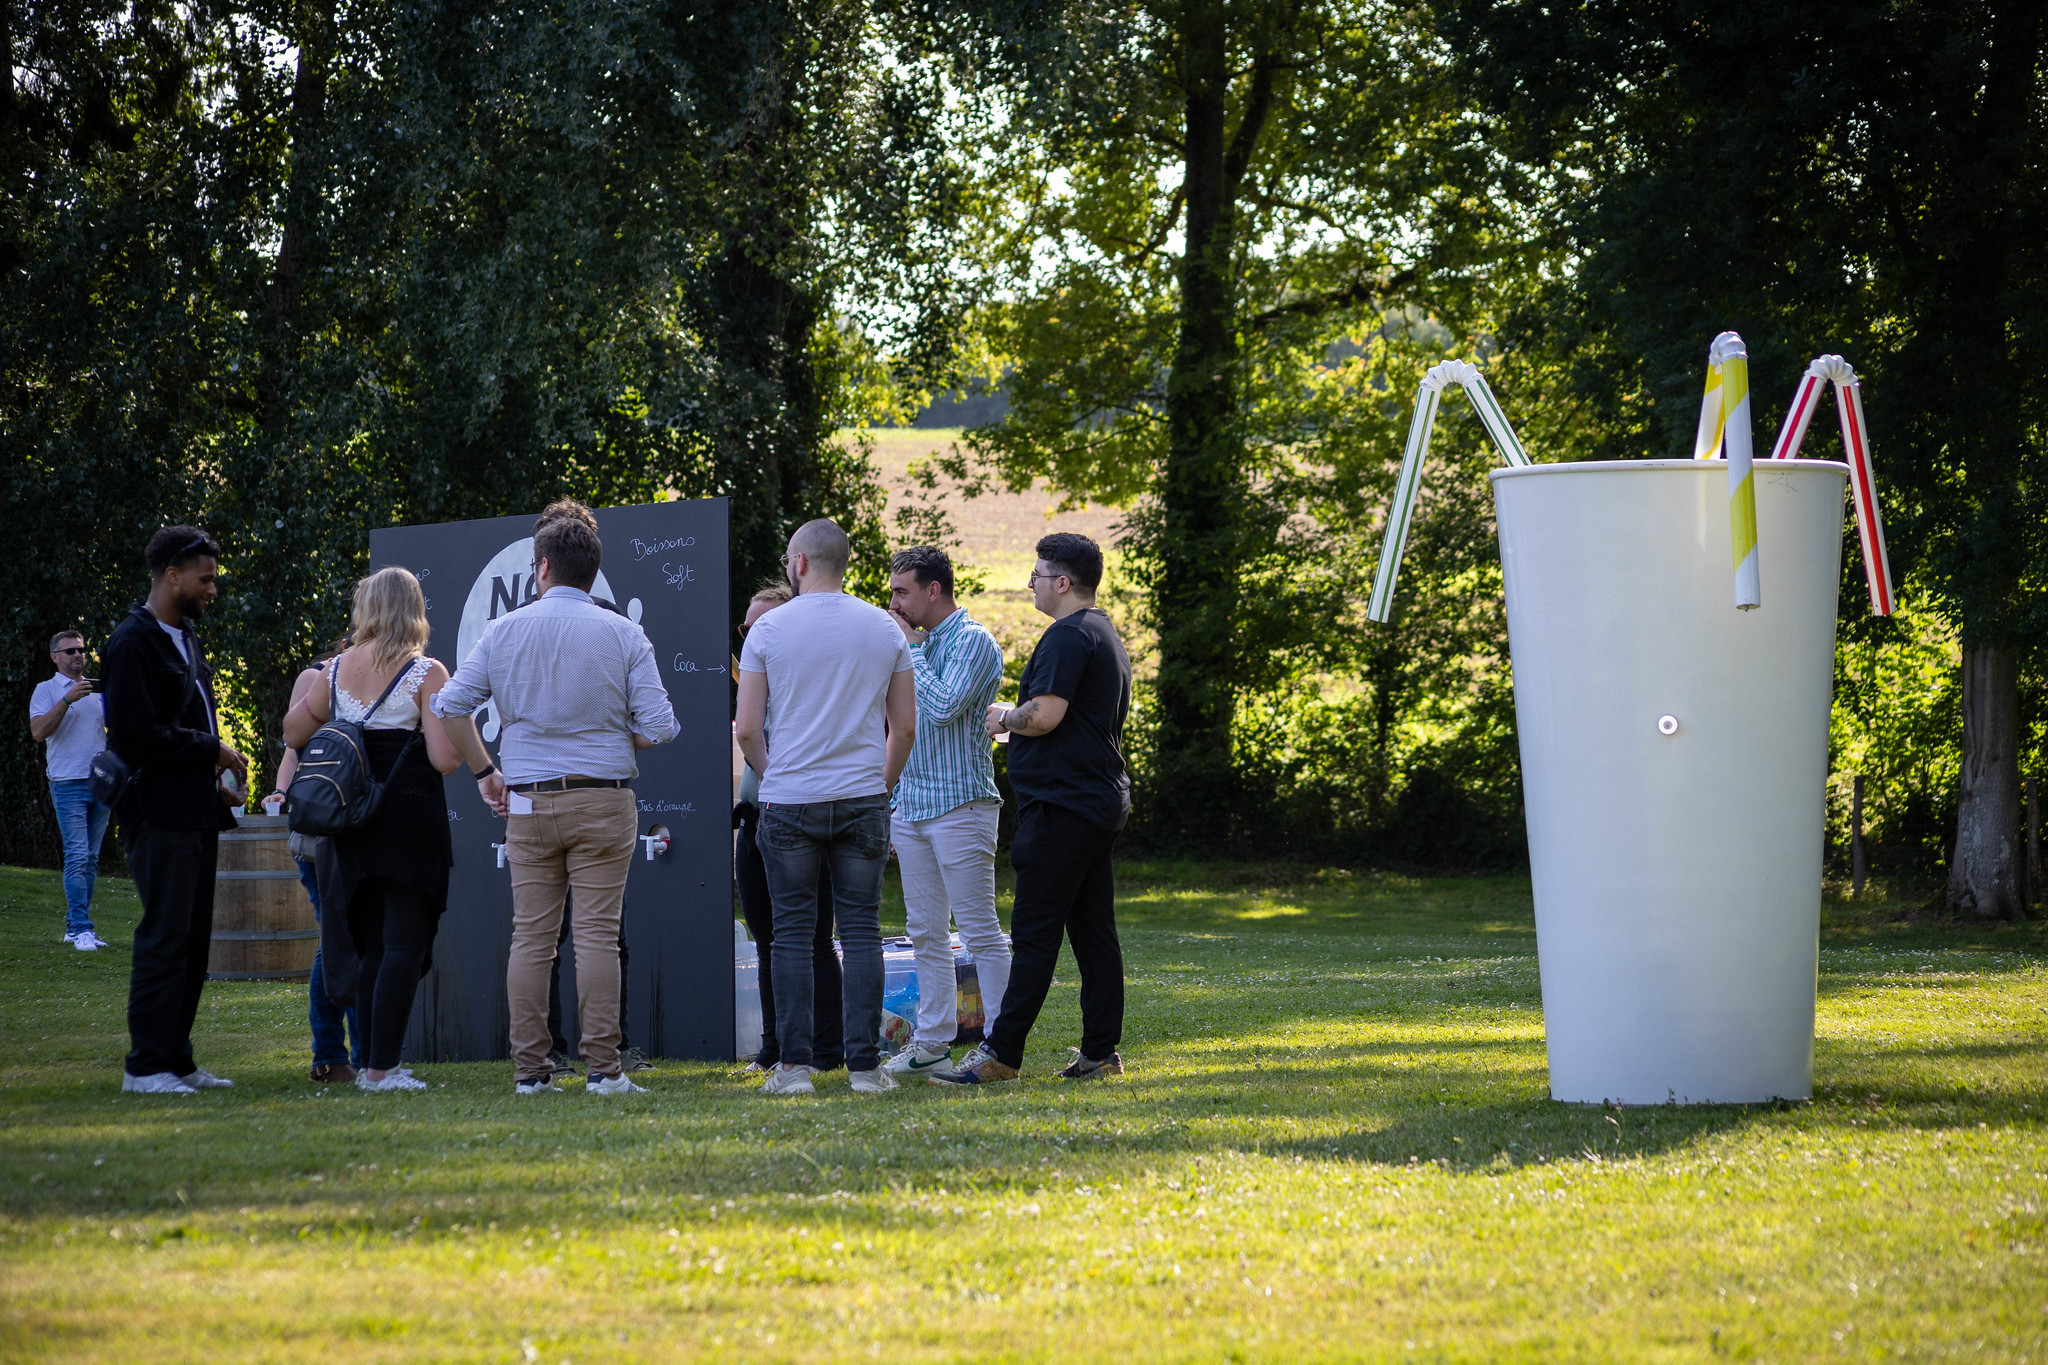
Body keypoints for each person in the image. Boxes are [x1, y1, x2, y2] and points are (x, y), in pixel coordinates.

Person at [432, 499, 679, 1097]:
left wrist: (484, 770)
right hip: (602, 800)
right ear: (592, 571)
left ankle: (530, 1073)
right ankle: (603, 1069)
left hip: (527, 802)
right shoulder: (624, 634)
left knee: (531, 939)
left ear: (540, 567)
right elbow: (662, 727)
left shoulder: (503, 630)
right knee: (596, 935)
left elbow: (449, 706)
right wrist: (612, 736)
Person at [934, 532, 1131, 1087]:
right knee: (1094, 933)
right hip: (1095, 801)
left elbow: (1043, 715)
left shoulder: (1067, 636)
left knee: (1036, 934)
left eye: (1038, 576)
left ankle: (1001, 1055)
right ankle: (1099, 1053)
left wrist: (1003, 717)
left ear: (1062, 582)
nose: (1031, 584)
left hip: (1063, 807)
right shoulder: (1104, 633)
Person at [735, 518, 916, 1096]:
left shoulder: (767, 631)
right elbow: (905, 728)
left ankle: (794, 1070)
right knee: (861, 931)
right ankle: (864, 1070)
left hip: (789, 800)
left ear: (801, 562)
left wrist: (774, 774)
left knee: (790, 935)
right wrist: (881, 785)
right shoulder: (884, 629)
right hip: (862, 796)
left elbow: (745, 730)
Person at [284, 569, 467, 1093]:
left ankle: (370, 1065)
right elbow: (444, 758)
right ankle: (382, 1069)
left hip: (352, 823)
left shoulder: (336, 668)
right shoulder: (426, 671)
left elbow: (293, 731)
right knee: (403, 944)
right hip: (408, 818)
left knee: (367, 946)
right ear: (414, 609)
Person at [102, 526, 249, 1094]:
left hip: (194, 808)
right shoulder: (132, 641)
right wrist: (209, 750)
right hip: (155, 811)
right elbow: (134, 734)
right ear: (172, 575)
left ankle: (177, 1060)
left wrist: (214, 780)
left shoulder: (186, 638)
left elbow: (188, 720)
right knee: (164, 936)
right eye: (205, 578)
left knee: (191, 940)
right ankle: (144, 1067)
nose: (211, 589)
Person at [883, 546, 1010, 1076]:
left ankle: (1002, 1046)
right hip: (911, 807)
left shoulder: (975, 641)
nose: (893, 602)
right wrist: (891, 803)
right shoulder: (915, 644)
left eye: (901, 592)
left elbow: (940, 707)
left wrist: (908, 648)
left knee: (979, 930)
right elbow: (894, 725)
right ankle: (932, 1042)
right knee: (925, 931)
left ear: (933, 590)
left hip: (962, 805)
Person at [731, 582, 844, 1075]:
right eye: (746, 628)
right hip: (755, 821)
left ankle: (826, 1050)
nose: (751, 637)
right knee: (766, 939)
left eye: (760, 628)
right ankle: (774, 1046)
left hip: (803, 819)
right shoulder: (754, 683)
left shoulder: (808, 686)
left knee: (814, 938)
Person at [269, 634, 364, 1084]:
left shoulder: (389, 676)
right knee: (337, 942)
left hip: (359, 830)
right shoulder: (316, 676)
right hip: (320, 834)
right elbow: (293, 748)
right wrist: (283, 794)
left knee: (355, 941)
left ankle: (362, 1056)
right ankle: (332, 1054)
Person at [30, 629, 111, 951]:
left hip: (101, 782)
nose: (77, 655)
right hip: (67, 783)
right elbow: (38, 732)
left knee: (90, 858)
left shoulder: (98, 690)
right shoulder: (46, 690)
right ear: (54, 657)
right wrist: (67, 699)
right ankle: (81, 928)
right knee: (77, 855)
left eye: (81, 650)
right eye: (69, 651)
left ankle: (74, 927)